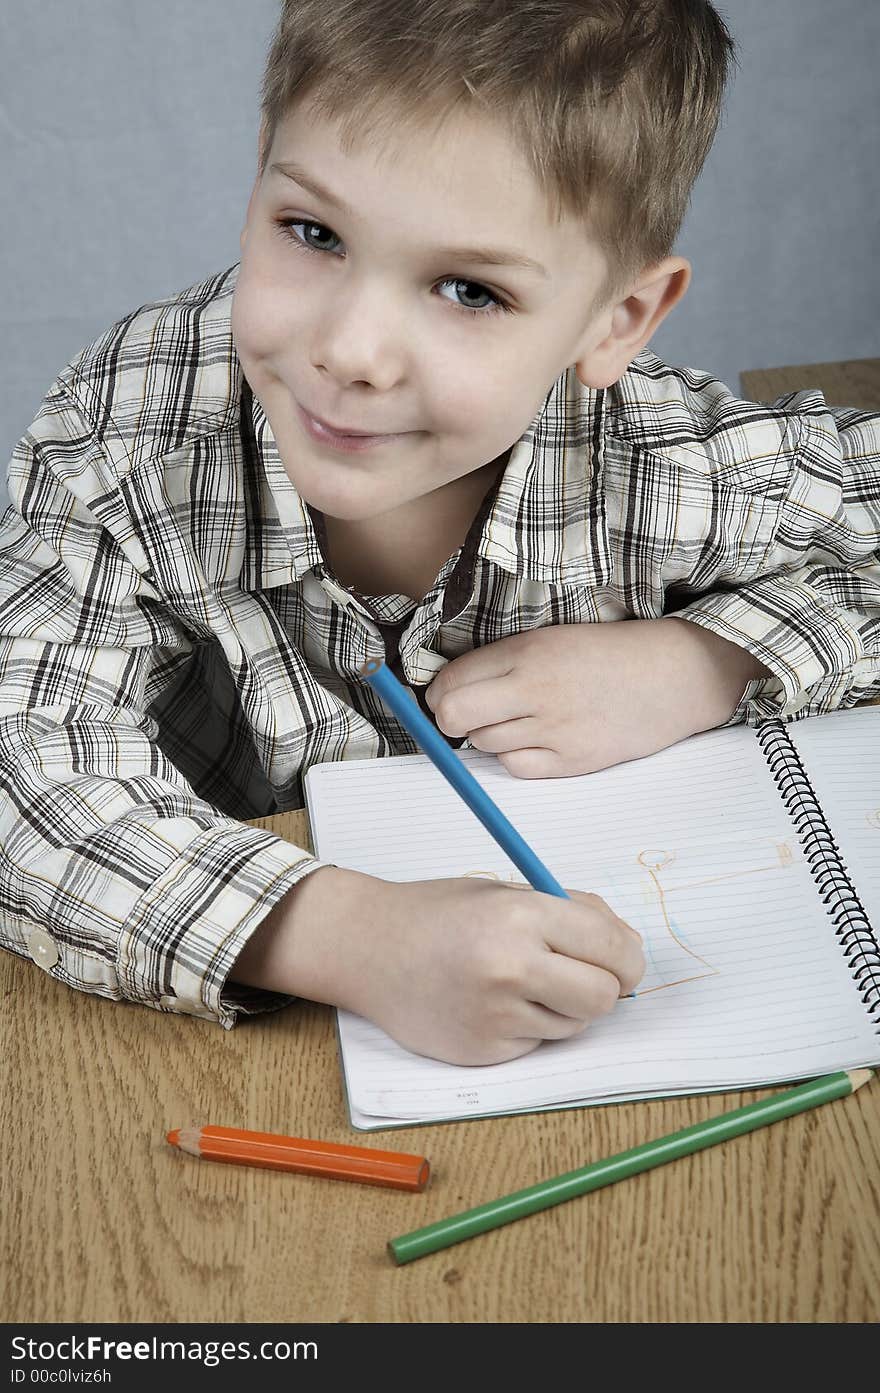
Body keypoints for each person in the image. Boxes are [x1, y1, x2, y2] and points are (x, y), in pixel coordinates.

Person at [1, 1, 877, 1067]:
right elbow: (22, 756)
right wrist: (350, 939)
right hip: (236, 1054)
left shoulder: (653, 458)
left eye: (469, 290)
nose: (353, 350)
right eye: (312, 233)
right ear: (257, 180)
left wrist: (703, 661)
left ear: (618, 321)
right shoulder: (130, 428)